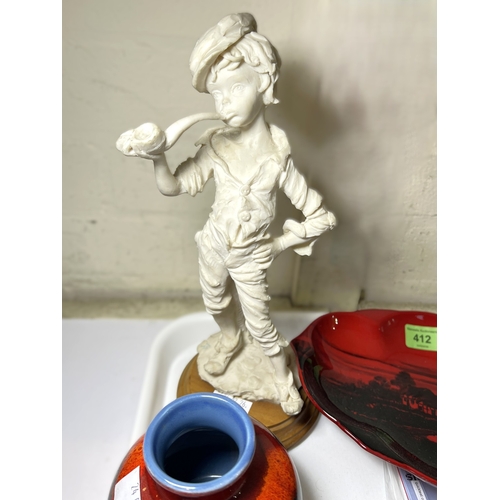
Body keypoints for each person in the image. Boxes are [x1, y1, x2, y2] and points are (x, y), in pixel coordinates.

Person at [129, 13, 336, 415]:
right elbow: (173, 186)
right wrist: (157, 158)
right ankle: (228, 338)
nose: (224, 102)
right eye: (217, 95)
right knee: (216, 302)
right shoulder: (216, 145)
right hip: (213, 245)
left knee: (261, 324)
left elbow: (320, 216)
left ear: (264, 82)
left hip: (250, 256)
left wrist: (276, 245)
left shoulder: (277, 158)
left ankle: (281, 380)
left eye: (236, 88)